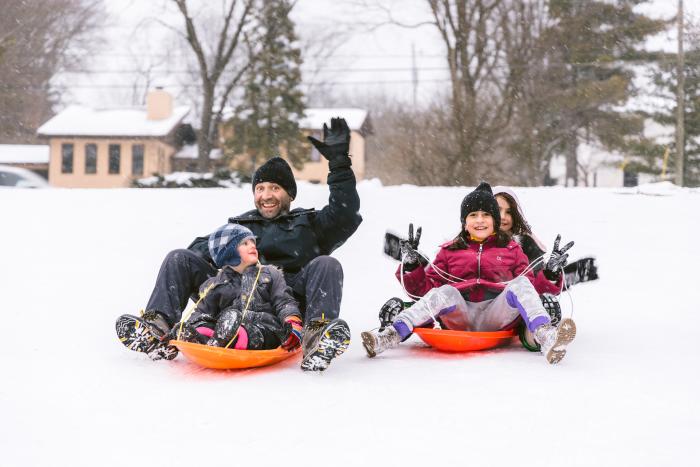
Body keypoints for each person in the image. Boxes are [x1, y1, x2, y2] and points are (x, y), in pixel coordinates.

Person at [116, 117, 362, 372]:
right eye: (260, 188)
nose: (266, 195)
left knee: (327, 264)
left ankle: (317, 336)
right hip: (236, 296)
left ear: (290, 194)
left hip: (286, 300)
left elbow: (345, 213)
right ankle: (158, 328)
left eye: (275, 188)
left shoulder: (310, 223)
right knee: (179, 257)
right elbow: (204, 250)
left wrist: (340, 165)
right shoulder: (240, 226)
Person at [362, 182, 577, 364]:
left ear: (494, 221)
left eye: (486, 215)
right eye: (473, 215)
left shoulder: (511, 250)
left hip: (496, 315)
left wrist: (550, 273)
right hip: (459, 315)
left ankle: (545, 335)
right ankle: (390, 335)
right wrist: (411, 266)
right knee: (444, 291)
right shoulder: (449, 251)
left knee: (520, 283)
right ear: (465, 222)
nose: (480, 220)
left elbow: (530, 290)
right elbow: (424, 292)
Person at [493, 186, 598, 350]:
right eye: (497, 210)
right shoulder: (466, 243)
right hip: (476, 311)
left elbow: (532, 290)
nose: (503, 217)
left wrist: (549, 274)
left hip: (513, 316)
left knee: (545, 302)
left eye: (509, 212)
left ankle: (545, 339)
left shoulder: (524, 248)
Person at [174, 223, 303, 352]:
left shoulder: (269, 274)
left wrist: (292, 322)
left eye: (253, 242)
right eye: (245, 243)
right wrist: (191, 325)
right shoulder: (216, 283)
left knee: (246, 329)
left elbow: (284, 301)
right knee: (206, 323)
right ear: (229, 252)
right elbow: (202, 311)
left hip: (266, 329)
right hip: (225, 328)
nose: (253, 245)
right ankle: (196, 338)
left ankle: (231, 340)